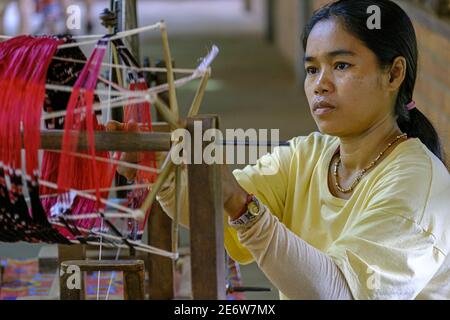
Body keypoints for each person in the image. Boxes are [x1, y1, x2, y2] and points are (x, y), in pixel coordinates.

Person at [118, 0, 450, 299]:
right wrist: (157, 164)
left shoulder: (418, 185)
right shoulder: (308, 155)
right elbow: (207, 206)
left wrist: (242, 206)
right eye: (311, 69)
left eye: (341, 66)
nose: (320, 84)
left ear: (393, 74)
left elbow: (339, 293)